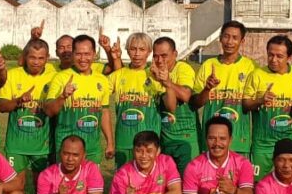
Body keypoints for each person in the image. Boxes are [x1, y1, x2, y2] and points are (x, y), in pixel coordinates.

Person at [243, 35, 292, 180]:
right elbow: (245, 105)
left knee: (288, 182)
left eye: (279, 56)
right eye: (270, 55)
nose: (274, 60)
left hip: (288, 140)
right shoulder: (257, 75)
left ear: (289, 57)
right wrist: (260, 100)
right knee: (257, 183)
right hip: (262, 143)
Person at [44, 35, 114, 163]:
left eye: (87, 54)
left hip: (92, 148)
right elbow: (48, 111)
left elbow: (104, 112)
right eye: (78, 54)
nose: (83, 59)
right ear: (73, 54)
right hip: (67, 149)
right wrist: (62, 97)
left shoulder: (102, 80)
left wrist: (110, 142)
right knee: (65, 183)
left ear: (94, 54)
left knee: (92, 183)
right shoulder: (60, 78)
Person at [191, 21, 256, 155]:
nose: (229, 42)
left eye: (235, 38)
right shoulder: (208, 65)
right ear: (220, 38)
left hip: (239, 141)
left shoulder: (249, 67)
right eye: (226, 36)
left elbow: (251, 103)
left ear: (242, 41)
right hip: (212, 141)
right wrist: (207, 89)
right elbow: (195, 103)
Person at [0, 38, 56, 191]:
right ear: (25, 57)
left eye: (41, 58)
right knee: (16, 188)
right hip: (16, 145)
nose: (36, 62)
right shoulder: (13, 75)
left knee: (42, 189)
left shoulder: (53, 77)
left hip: (42, 146)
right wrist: (18, 100)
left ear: (47, 58)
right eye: (32, 57)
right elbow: (2, 106)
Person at [108, 32, 164, 168]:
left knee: (148, 183)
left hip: (149, 143)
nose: (137, 54)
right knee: (123, 182)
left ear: (149, 51)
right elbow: (99, 95)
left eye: (142, 49)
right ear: (127, 50)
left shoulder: (155, 75)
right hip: (123, 141)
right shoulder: (117, 75)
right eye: (133, 49)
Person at [151, 36, 201, 171]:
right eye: (155, 56)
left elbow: (185, 95)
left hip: (186, 138)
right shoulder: (152, 74)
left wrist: (167, 82)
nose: (160, 60)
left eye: (164, 56)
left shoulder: (183, 68)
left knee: (188, 182)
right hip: (165, 138)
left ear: (175, 54)